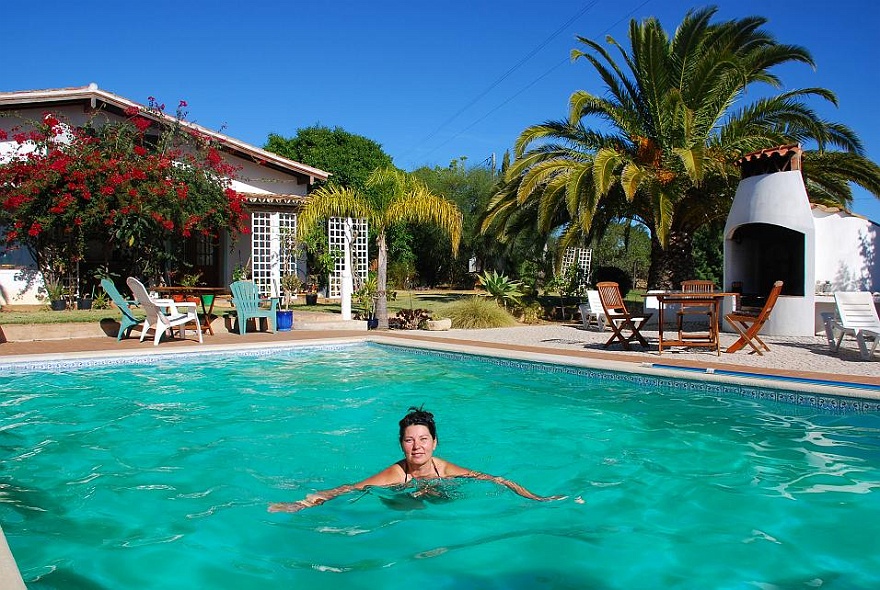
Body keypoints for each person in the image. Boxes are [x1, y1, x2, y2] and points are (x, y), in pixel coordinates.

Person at [268, 406, 563, 512]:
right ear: (401, 445)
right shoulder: (396, 475)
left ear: (435, 443)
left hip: (440, 491)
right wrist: (302, 503)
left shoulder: (445, 468)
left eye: (423, 440)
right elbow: (350, 488)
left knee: (439, 494)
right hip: (405, 495)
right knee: (407, 503)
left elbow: (497, 480)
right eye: (409, 440)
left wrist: (538, 499)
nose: (417, 447)